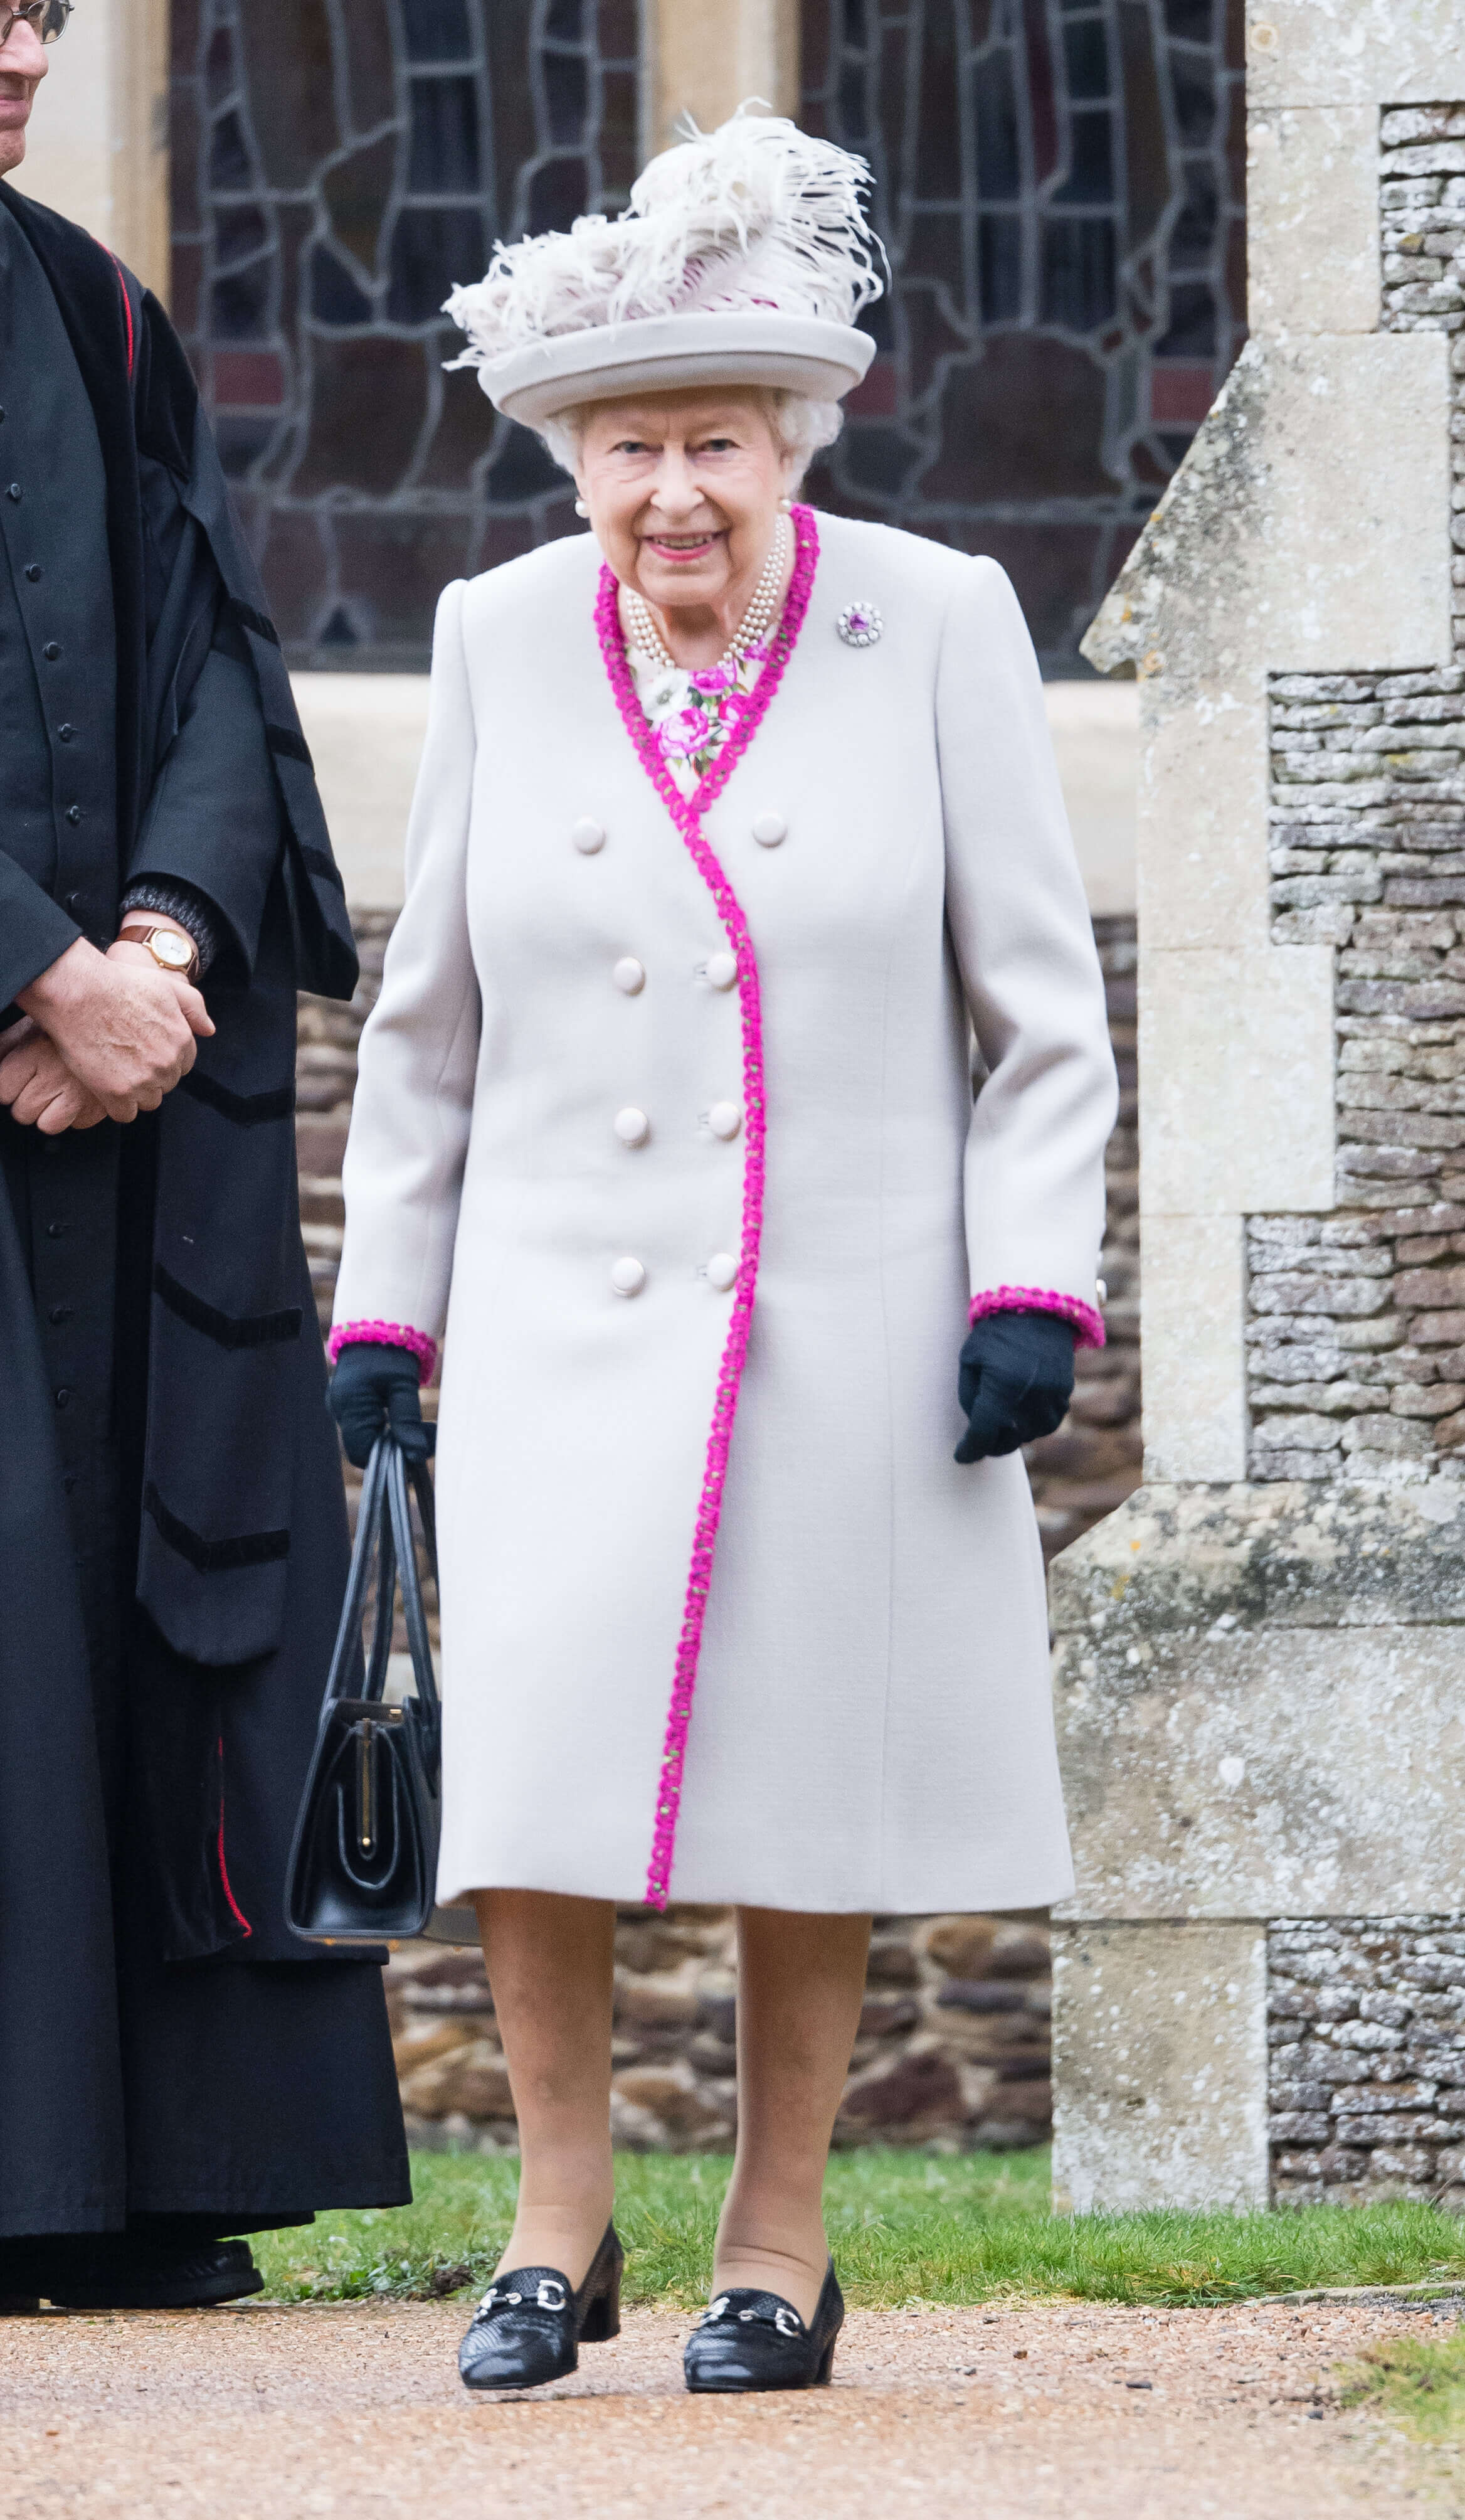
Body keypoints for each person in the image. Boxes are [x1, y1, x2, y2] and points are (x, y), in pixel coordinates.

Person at [329, 110, 1116, 2393]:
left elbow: (1040, 1009)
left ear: (794, 441)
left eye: (715, 443)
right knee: (542, 1771)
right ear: (571, 460)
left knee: (810, 1771)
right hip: (561, 1304)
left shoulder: (940, 620)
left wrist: (1027, 1287)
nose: (672, 492)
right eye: (625, 447)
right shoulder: (495, 634)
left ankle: (779, 2229)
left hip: (847, 1307)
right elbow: (431, 1022)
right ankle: (552, 2219)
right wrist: (389, 1307)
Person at [0, 2, 408, 2312]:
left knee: (134, 1588)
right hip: (39, 1051)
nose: (26, 43)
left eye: (45, 2)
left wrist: (159, 940)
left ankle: (133, 2175)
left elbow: (222, 665)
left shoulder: (89, 306)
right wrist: (31, 970)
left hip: (116, 1121)